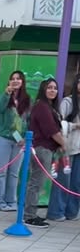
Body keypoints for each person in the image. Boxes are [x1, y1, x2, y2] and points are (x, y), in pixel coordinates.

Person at [24, 78, 65, 228]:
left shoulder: (49, 106)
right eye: (49, 88)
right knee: (36, 182)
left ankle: (31, 213)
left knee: (38, 182)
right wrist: (63, 143)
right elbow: (51, 130)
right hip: (42, 149)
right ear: (43, 89)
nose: (53, 90)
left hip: (46, 148)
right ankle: (29, 216)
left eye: (55, 88)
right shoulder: (42, 107)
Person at [0, 70, 31, 211]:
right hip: (4, 137)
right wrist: (7, 94)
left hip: (20, 141)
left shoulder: (27, 99)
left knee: (14, 172)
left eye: (18, 79)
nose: (15, 81)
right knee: (1, 171)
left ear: (22, 82)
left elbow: (28, 120)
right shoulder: (4, 97)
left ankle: (11, 201)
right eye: (12, 78)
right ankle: (0, 202)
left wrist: (24, 138)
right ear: (9, 82)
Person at [47, 73, 80, 222]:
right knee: (62, 181)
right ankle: (56, 212)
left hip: (79, 148)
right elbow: (59, 124)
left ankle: (72, 212)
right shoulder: (67, 102)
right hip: (66, 147)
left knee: (76, 183)